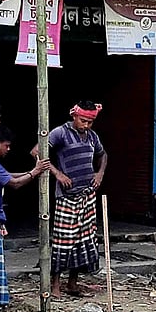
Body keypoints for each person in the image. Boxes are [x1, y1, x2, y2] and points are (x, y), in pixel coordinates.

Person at [0, 126, 51, 312]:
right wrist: (34, 172)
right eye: (6, 146)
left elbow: (7, 176)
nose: (8, 149)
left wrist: (32, 171)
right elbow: (13, 183)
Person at [34, 100, 108, 297]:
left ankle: (73, 283)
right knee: (63, 241)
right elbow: (37, 151)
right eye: (83, 121)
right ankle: (55, 285)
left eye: (89, 122)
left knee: (84, 240)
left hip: (87, 196)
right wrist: (57, 174)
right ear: (74, 116)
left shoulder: (92, 137)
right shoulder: (60, 133)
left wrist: (99, 173)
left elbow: (103, 155)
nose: (86, 125)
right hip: (67, 197)